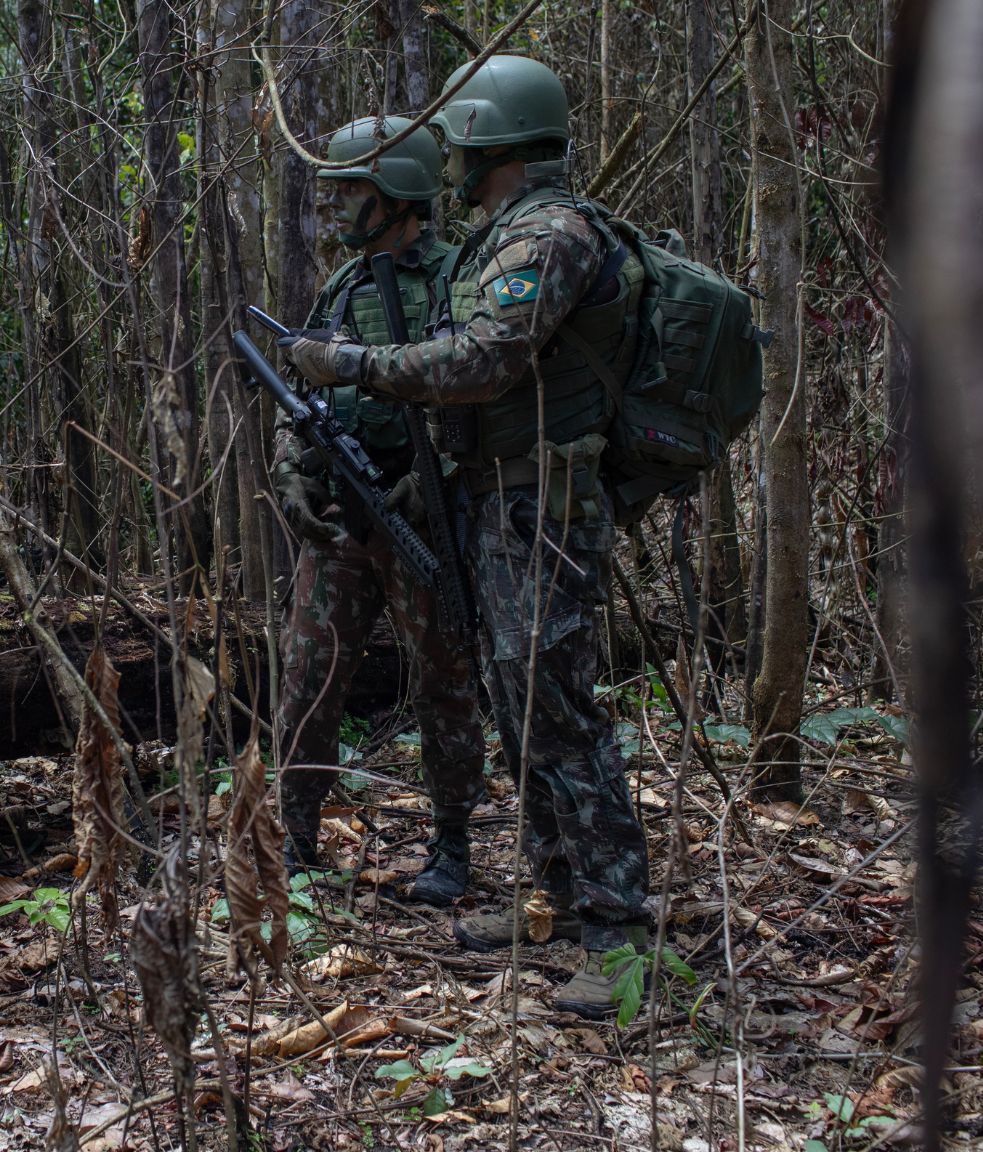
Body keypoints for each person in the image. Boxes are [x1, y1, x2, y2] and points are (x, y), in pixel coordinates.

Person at [279, 56, 652, 1016]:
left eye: (460, 133)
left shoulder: (551, 232)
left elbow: (486, 359)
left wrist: (358, 365)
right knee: (523, 702)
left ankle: (617, 942)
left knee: (558, 712)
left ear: (488, 133)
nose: (449, 151)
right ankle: (565, 903)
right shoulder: (508, 234)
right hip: (502, 505)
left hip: (540, 509)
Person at [272, 114, 488, 907]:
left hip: (423, 519)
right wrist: (291, 472)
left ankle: (454, 846)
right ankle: (294, 840)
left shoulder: (459, 279)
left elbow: (485, 393)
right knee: (307, 674)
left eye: (354, 188)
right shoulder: (347, 284)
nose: (339, 206)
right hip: (341, 515)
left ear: (398, 193)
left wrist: (436, 487)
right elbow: (302, 392)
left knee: (445, 682)